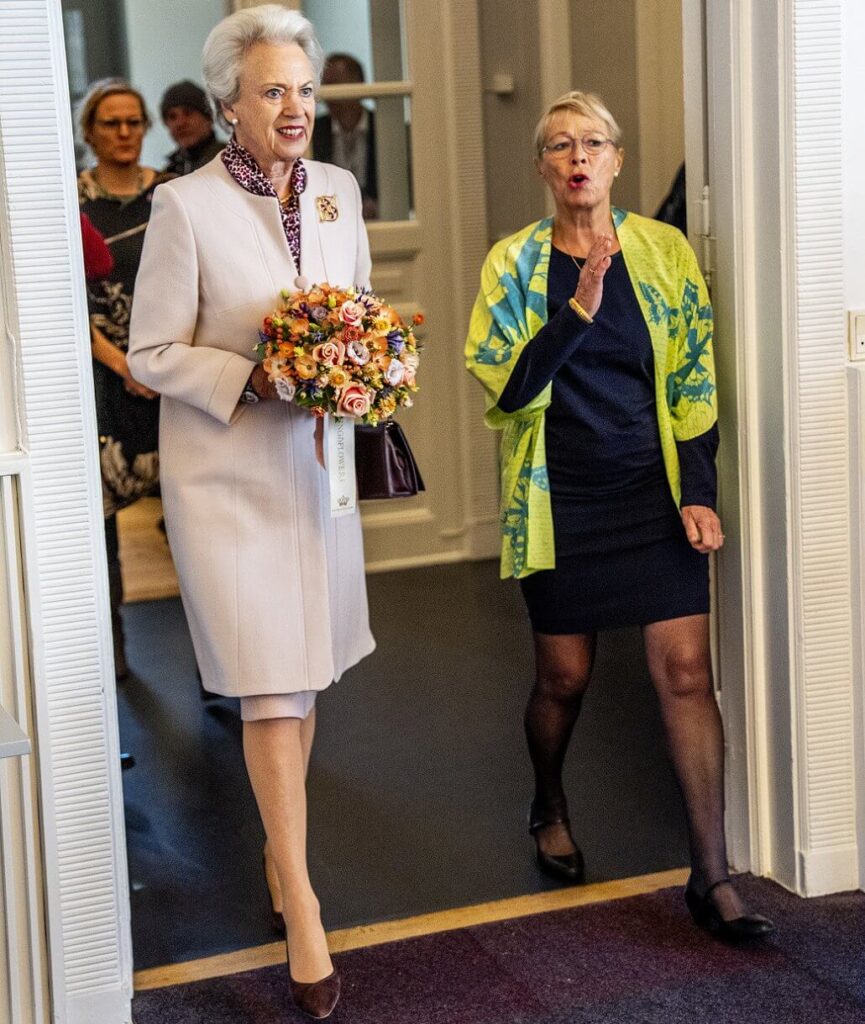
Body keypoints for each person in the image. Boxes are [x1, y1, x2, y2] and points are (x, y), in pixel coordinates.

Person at [465, 91, 774, 943]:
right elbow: (506, 386)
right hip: (558, 498)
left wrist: (699, 490)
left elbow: (692, 380)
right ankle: (548, 801)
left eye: (592, 143)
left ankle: (709, 874)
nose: (577, 158)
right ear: (542, 167)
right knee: (564, 678)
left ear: (615, 159)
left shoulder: (664, 252)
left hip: (650, 488)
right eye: (560, 145)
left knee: (682, 674)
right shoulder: (511, 266)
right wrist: (577, 312)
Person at [128, 6, 374, 1017]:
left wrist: (363, 363)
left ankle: (283, 857)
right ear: (228, 104)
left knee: (301, 678)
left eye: (303, 90)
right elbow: (149, 354)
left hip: (318, 478)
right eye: (272, 90)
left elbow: (352, 309)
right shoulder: (183, 206)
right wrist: (257, 375)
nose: (294, 108)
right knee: (271, 687)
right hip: (228, 481)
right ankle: (304, 906)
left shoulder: (336, 192)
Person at [78, 78, 172, 681]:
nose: (123, 133)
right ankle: (112, 657)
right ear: (89, 132)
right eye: (110, 122)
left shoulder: (173, 194)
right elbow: (64, 300)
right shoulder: (71, 199)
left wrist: (162, 364)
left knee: (191, 519)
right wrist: (124, 363)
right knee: (102, 522)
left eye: (133, 121)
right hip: (101, 378)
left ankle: (218, 665)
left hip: (172, 377)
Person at [313, 53, 378, 219]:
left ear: (359, 86)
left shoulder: (383, 128)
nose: (328, 96)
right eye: (324, 86)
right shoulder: (313, 132)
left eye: (334, 85)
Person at [159, 79, 224, 176]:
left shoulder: (230, 161)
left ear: (208, 118)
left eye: (188, 113)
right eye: (172, 117)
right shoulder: (168, 175)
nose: (180, 123)